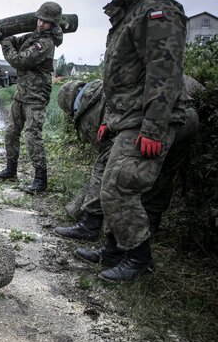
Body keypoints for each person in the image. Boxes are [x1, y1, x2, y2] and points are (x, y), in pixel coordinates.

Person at [89, 0, 187, 282]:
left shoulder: (158, 12)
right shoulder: (128, 14)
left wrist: (154, 128)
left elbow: (164, 74)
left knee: (119, 184)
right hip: (127, 116)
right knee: (110, 180)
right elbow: (119, 77)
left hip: (148, 119)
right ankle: (113, 250)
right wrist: (109, 118)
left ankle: (139, 259)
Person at [53, 79, 199, 246]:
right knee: (164, 172)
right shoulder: (102, 87)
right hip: (186, 115)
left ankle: (91, 224)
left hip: (158, 121)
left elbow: (107, 153)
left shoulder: (90, 109)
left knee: (107, 167)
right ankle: (150, 226)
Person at [0, 2, 64, 193]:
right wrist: (2, 37)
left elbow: (20, 61)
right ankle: (11, 169)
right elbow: (15, 43)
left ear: (53, 24)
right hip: (22, 93)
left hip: (36, 95)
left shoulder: (46, 43)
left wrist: (5, 44)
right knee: (11, 131)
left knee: (32, 135)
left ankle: (40, 180)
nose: (40, 24)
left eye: (46, 22)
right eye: (39, 19)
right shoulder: (33, 36)